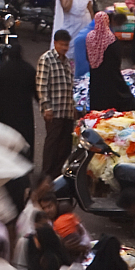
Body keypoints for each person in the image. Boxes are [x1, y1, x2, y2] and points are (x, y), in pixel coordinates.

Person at [37, 29, 79, 183]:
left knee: (64, 146)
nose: (65, 48)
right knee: (52, 145)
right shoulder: (46, 59)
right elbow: (42, 86)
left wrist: (73, 107)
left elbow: (69, 87)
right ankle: (46, 176)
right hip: (54, 111)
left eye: (67, 45)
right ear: (55, 43)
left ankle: (57, 177)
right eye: (62, 45)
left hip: (66, 111)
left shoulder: (67, 62)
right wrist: (46, 107)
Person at [88, 13, 135, 114]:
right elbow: (116, 59)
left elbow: (88, 56)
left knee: (98, 104)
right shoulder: (111, 39)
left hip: (95, 77)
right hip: (111, 76)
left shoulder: (89, 37)